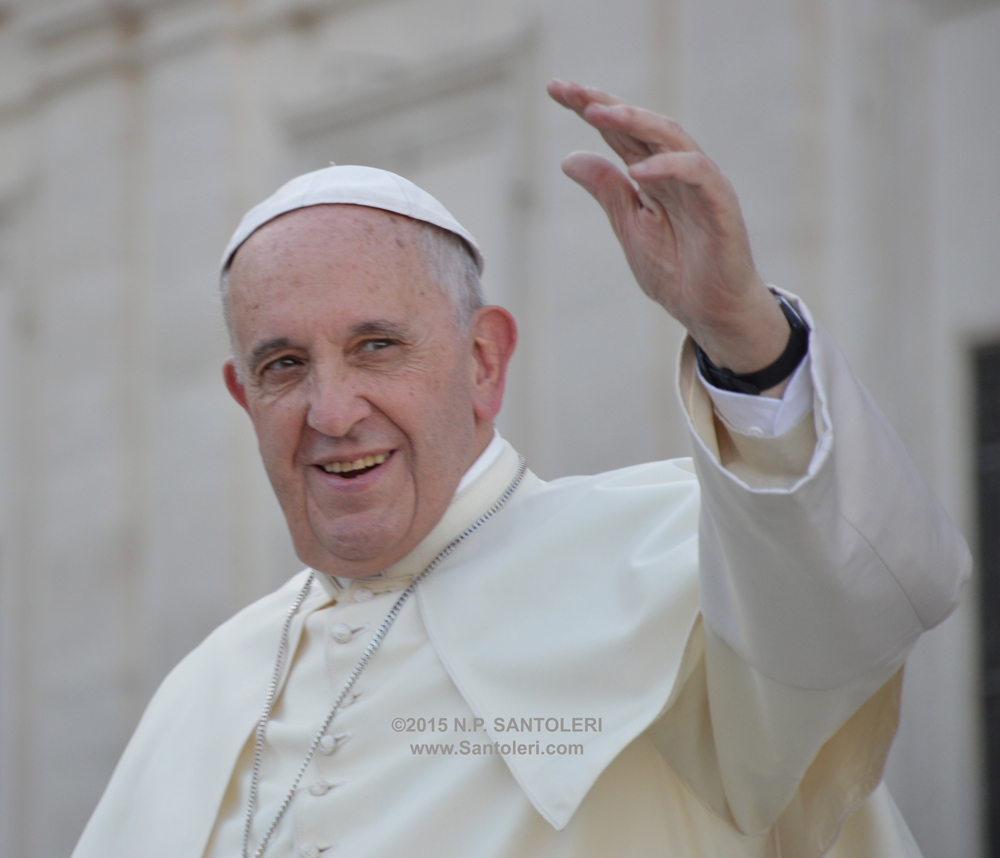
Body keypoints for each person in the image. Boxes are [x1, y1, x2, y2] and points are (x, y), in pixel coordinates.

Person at [71, 81, 969, 858]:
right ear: (244, 395)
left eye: (377, 346)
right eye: (283, 366)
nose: (331, 413)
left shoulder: (687, 567)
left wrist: (743, 337)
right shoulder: (203, 689)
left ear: (485, 362)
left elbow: (873, 595)